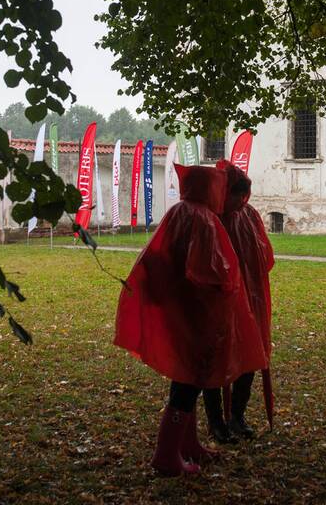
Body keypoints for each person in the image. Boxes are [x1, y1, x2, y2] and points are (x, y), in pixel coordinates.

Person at [114, 164, 267, 476]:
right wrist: (229, 287)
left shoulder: (179, 212)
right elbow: (207, 272)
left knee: (187, 380)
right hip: (197, 317)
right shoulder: (201, 219)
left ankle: (188, 445)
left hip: (181, 313)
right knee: (187, 384)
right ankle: (167, 454)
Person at [201, 161, 274, 443]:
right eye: (235, 194)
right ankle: (216, 421)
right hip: (221, 301)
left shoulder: (249, 215)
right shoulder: (211, 218)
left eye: (243, 195)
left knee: (250, 356)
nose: (239, 200)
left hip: (251, 298)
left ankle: (237, 416)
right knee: (217, 360)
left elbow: (265, 256)